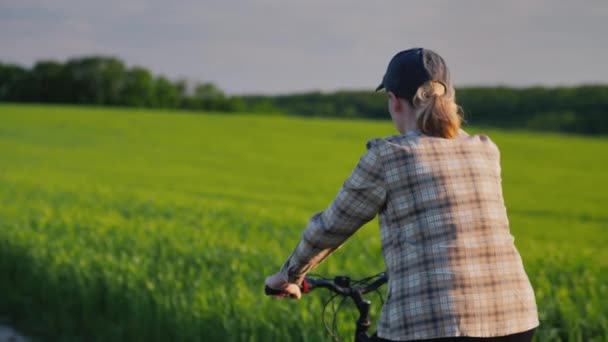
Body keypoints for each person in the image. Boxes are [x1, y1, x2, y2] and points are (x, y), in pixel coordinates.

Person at [265, 48, 539, 341]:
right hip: (515, 317)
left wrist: (289, 276)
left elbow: (331, 227)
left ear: (394, 101)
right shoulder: (485, 149)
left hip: (435, 322)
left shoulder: (389, 155)